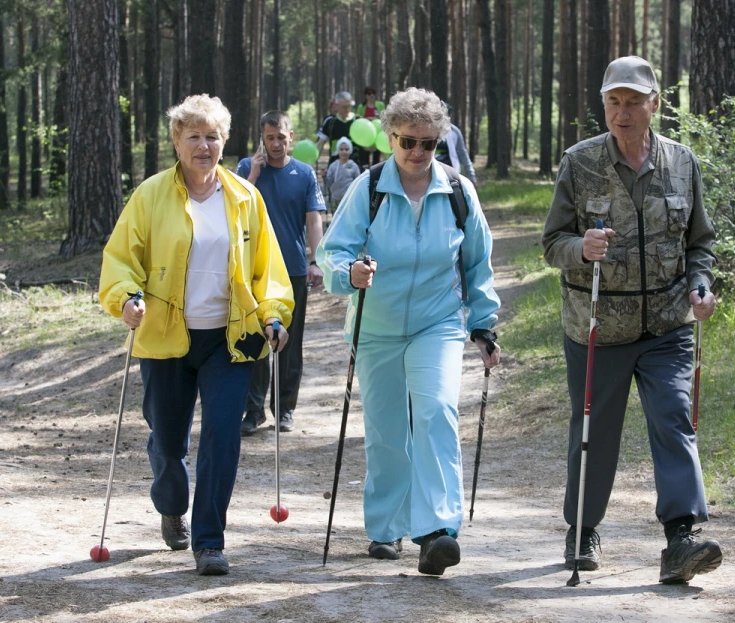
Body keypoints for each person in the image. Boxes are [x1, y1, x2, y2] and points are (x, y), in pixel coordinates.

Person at [541, 56, 722, 584]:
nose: (622, 113)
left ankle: (681, 538)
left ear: (654, 105)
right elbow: (552, 243)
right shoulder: (580, 163)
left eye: (633, 102)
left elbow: (700, 244)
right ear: (604, 105)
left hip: (667, 324)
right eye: (613, 103)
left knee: (674, 419)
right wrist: (583, 246)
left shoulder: (682, 163)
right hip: (598, 326)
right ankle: (582, 530)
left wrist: (700, 285)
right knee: (594, 431)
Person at [99, 94, 293, 576]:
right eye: (194, 136)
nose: (203, 146)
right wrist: (126, 297)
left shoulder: (246, 199)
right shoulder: (149, 196)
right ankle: (171, 505)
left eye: (212, 136)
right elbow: (121, 258)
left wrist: (273, 315)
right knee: (167, 441)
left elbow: (267, 270)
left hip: (229, 339)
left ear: (224, 142)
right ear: (176, 142)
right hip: (164, 336)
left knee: (223, 437)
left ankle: (209, 540)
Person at [317, 87, 501, 576]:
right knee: (387, 430)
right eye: (408, 142)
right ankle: (385, 527)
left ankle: (438, 530)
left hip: (436, 323)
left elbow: (477, 262)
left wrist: (483, 325)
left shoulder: (457, 191)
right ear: (390, 138)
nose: (418, 153)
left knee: (438, 412)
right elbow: (332, 252)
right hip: (375, 327)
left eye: (429, 144)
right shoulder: (370, 187)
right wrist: (348, 273)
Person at [237, 110, 327, 435]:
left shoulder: (304, 174)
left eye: (281, 137)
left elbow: (314, 219)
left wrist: (316, 260)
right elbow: (234, 210)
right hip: (254, 271)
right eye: (269, 137)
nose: (276, 143)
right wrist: (254, 176)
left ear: (291, 137)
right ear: (262, 138)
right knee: (255, 341)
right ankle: (253, 409)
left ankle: (285, 409)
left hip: (292, 270)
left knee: (290, 343)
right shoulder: (247, 169)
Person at [434, 101, 477, 184]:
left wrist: (471, 174)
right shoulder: (427, 131)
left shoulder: (454, 131)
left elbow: (462, 153)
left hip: (452, 174)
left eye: (447, 114)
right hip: (432, 173)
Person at [316, 91, 360, 166]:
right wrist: (312, 160)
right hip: (335, 165)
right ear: (337, 106)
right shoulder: (330, 122)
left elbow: (368, 146)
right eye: (344, 107)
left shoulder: (358, 121)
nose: (347, 109)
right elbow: (320, 144)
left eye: (349, 106)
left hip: (355, 165)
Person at [325, 136, 361, 213]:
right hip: (335, 198)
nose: (344, 152)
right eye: (341, 149)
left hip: (349, 199)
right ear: (338, 151)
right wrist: (324, 176)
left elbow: (358, 181)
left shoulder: (353, 166)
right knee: (335, 218)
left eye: (346, 149)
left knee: (348, 218)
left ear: (350, 151)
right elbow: (329, 181)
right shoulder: (333, 165)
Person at [356, 86, 386, 169]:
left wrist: (375, 119)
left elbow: (384, 118)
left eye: (373, 93)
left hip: (377, 134)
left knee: (376, 159)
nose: (371, 95)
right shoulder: (361, 107)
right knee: (364, 158)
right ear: (366, 96)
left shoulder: (380, 105)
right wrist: (368, 119)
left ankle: (375, 174)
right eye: (369, 93)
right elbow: (358, 120)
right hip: (366, 135)